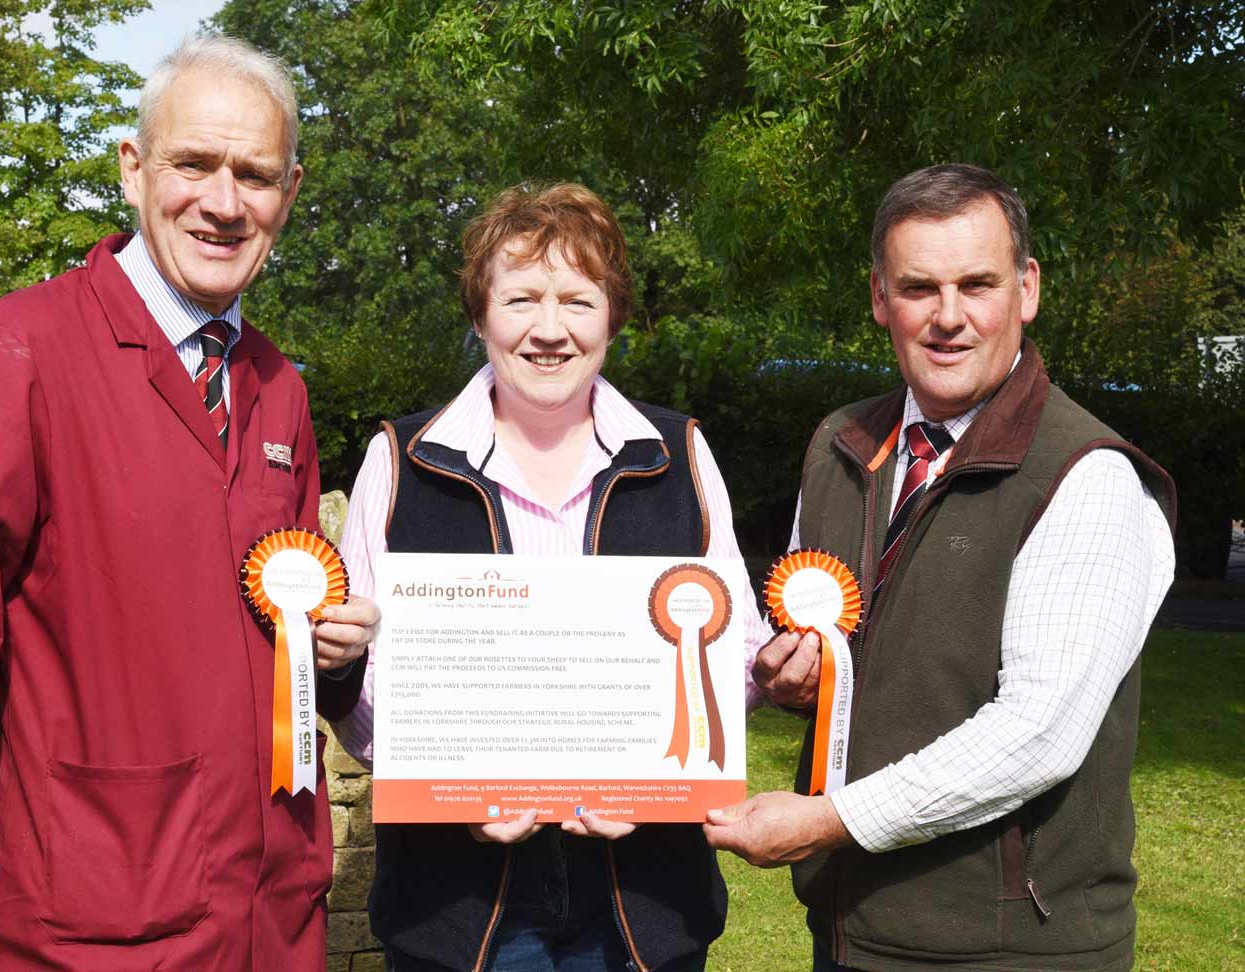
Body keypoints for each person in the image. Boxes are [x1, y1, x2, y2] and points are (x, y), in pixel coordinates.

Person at [0, 34, 379, 971]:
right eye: (194, 164)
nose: (224, 203)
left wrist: (333, 655)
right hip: (88, 919)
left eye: (256, 176)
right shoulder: (16, 351)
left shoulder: (279, 388)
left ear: (290, 194)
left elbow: (274, 638)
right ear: (135, 171)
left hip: (269, 918)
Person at [704, 164, 1176, 972]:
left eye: (977, 284)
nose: (949, 317)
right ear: (880, 298)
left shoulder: (1088, 476)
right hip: (853, 929)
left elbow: (1038, 736)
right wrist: (798, 680)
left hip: (1010, 948)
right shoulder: (840, 445)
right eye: (920, 287)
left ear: (1026, 289)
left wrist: (829, 823)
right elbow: (853, 651)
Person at [331, 183, 770, 972]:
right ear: (480, 315)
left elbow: (732, 656)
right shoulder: (398, 460)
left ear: (612, 317)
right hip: (460, 913)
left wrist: (647, 783)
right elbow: (361, 687)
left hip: (644, 908)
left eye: (577, 299)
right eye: (521, 298)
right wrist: (451, 791)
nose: (548, 330)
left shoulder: (683, 455)